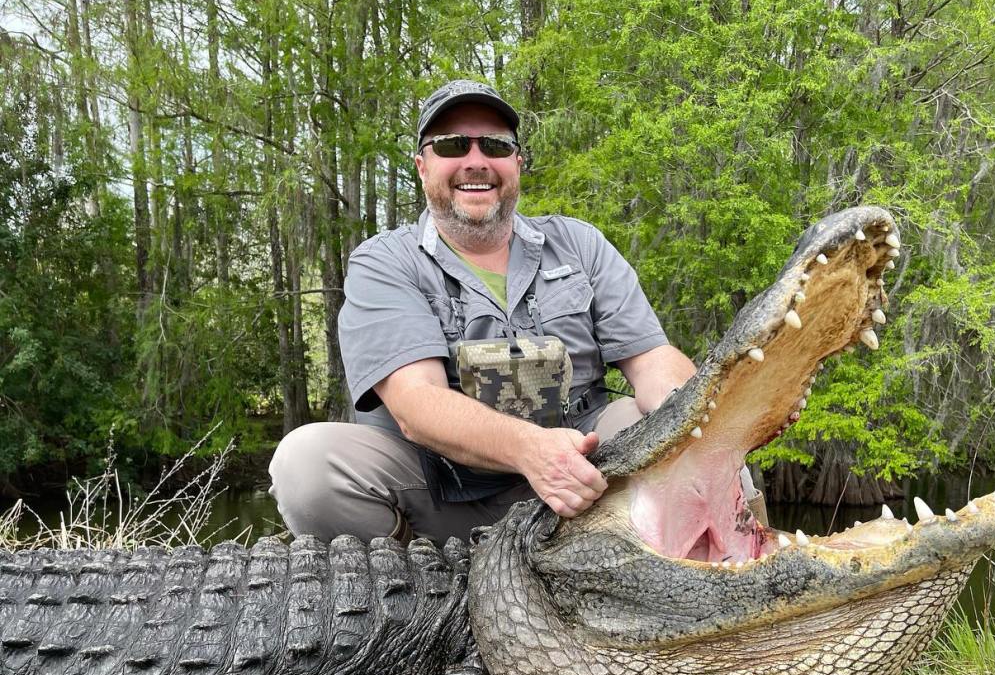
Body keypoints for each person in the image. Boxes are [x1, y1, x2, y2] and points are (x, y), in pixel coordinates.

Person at [268, 79, 700, 547]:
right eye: (453, 144)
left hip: (587, 476)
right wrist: (529, 449)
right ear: (422, 166)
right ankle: (418, 583)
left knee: (694, 441)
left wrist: (704, 416)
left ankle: (718, 570)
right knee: (306, 464)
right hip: (446, 490)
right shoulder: (385, 262)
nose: (476, 160)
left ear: (516, 162)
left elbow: (653, 359)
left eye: (494, 145)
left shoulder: (580, 244)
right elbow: (417, 404)